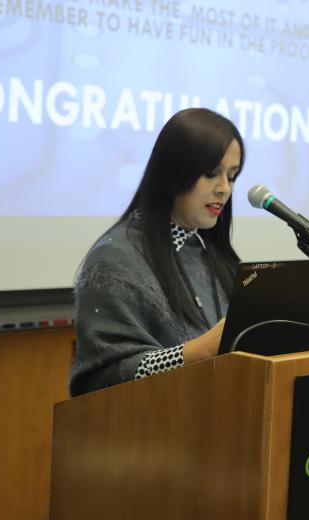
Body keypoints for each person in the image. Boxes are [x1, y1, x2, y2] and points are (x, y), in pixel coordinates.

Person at [69, 108, 244, 396]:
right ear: (174, 172)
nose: (224, 188)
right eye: (212, 173)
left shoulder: (212, 253)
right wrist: (192, 353)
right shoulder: (115, 259)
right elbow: (102, 378)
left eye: (233, 175)